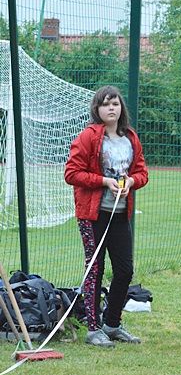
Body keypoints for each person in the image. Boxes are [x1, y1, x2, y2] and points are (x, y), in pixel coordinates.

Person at [64, 85, 149, 348]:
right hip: (93, 215)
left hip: (121, 215)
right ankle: (93, 329)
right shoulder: (88, 137)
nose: (111, 108)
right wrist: (104, 181)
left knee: (124, 270)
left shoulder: (130, 138)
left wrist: (131, 182)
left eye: (115, 104)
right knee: (95, 269)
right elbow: (72, 173)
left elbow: (142, 173)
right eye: (105, 104)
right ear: (97, 109)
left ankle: (112, 324)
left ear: (121, 108)